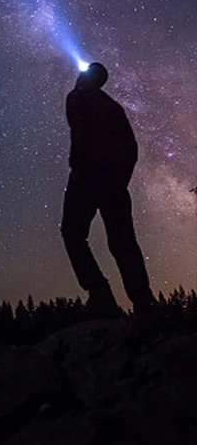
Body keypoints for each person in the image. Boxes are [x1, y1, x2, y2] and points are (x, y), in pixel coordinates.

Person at [61, 62, 156, 321]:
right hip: (114, 183)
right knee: (123, 243)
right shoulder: (115, 108)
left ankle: (100, 293)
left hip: (87, 178)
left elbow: (79, 133)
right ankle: (145, 304)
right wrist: (120, 179)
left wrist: (79, 167)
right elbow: (131, 147)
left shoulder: (78, 97)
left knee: (72, 234)